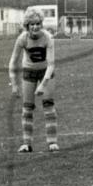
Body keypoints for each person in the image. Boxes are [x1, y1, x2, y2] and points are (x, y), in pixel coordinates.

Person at [8, 8, 60, 153]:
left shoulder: (48, 37)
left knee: (48, 105)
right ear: (27, 26)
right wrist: (13, 83)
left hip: (46, 72)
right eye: (32, 24)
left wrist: (43, 84)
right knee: (27, 107)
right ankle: (26, 143)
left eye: (37, 23)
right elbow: (12, 62)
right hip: (29, 72)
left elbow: (51, 64)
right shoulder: (22, 39)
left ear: (41, 24)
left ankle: (52, 142)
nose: (35, 27)